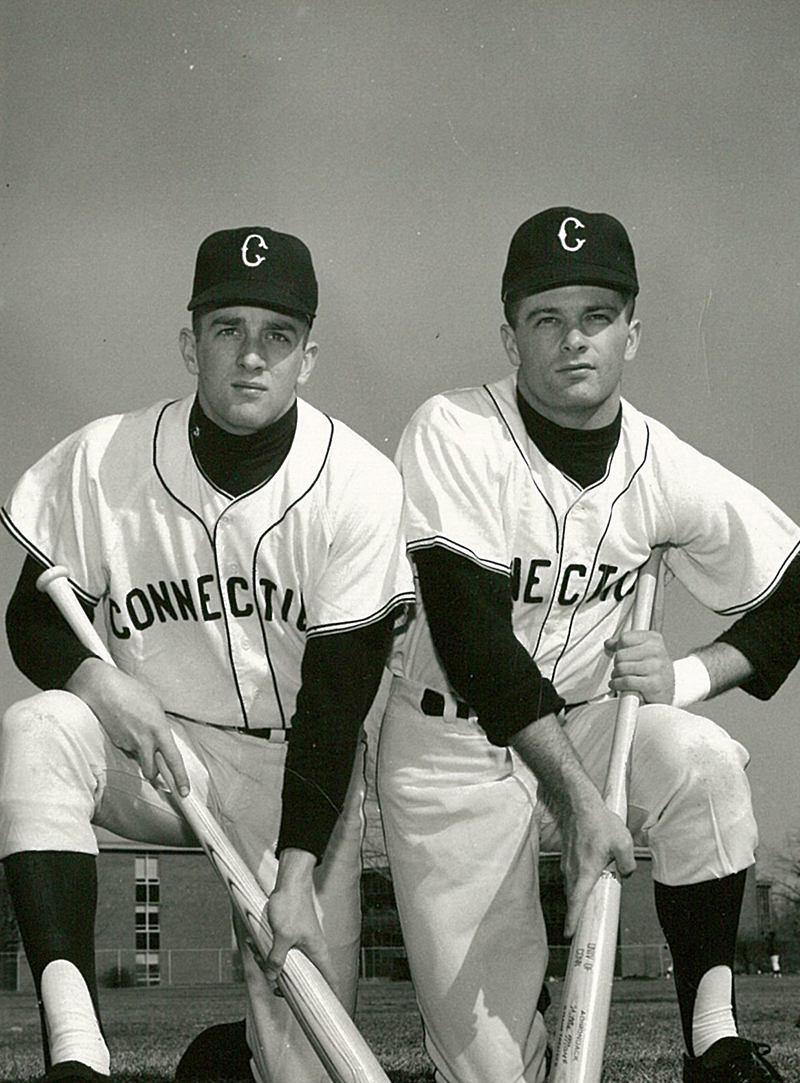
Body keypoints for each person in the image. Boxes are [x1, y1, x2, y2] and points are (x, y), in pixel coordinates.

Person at [377, 206, 799, 1083]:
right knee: (496, 1072)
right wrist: (575, 803)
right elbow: (472, 637)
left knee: (705, 764)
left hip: (589, 727)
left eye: (598, 317)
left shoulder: (661, 461)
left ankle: (712, 1037)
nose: (576, 341)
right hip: (450, 743)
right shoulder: (455, 430)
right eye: (548, 318)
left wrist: (686, 675)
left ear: (632, 335)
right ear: (510, 336)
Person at [0, 225, 415, 1083]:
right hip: (155, 749)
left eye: (278, 335)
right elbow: (31, 618)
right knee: (39, 726)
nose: (251, 356)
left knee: (301, 1061)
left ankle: (232, 1061)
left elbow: (337, 703)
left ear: (309, 357)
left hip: (297, 777)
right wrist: (103, 684)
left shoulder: (358, 482)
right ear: (191, 344)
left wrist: (296, 873)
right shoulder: (107, 457)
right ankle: (77, 1045)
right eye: (228, 329)